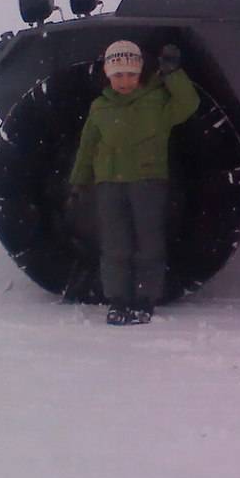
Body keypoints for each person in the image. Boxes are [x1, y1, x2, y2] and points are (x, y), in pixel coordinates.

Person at [69, 39, 200, 325]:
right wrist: (78, 181)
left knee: (149, 243)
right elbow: (87, 147)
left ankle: (144, 298)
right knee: (115, 245)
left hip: (148, 183)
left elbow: (188, 103)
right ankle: (117, 299)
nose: (124, 81)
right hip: (109, 185)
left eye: (130, 74)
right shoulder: (99, 108)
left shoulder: (157, 101)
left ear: (140, 73)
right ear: (108, 75)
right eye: (118, 75)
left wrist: (173, 74)